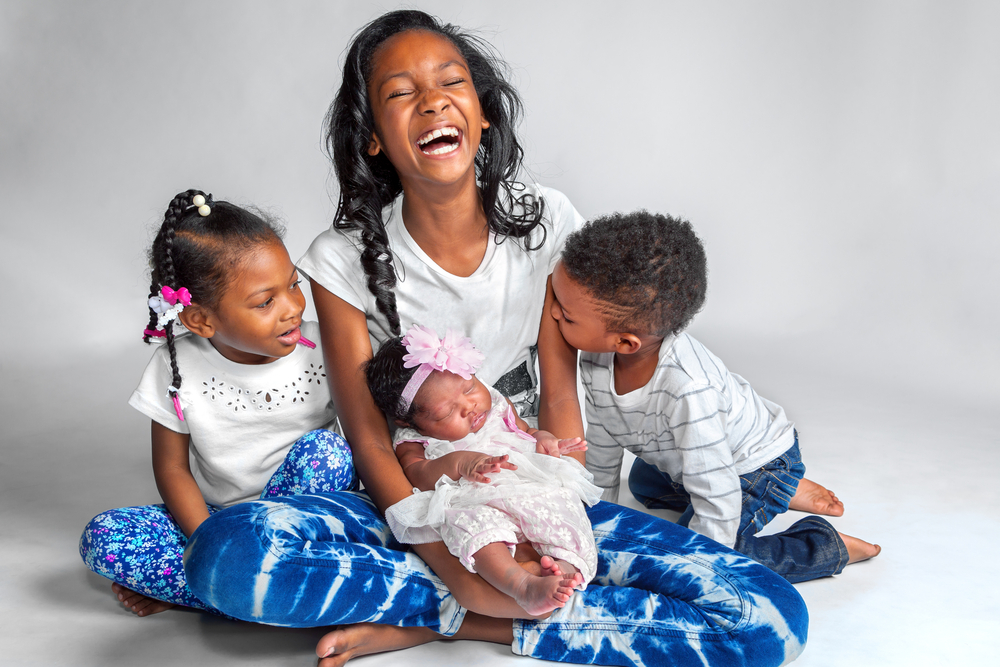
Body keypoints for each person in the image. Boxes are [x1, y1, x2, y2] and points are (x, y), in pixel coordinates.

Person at [182, 11, 809, 667]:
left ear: (481, 114)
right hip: (410, 501)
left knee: (770, 620)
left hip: (531, 480)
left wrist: (555, 516)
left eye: (449, 82)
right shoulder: (339, 258)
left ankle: (464, 621)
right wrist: (445, 558)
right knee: (224, 553)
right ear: (372, 138)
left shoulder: (547, 221)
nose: (430, 101)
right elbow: (368, 435)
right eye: (400, 92)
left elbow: (561, 391)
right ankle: (464, 599)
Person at [551, 210, 881, 583]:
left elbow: (714, 497)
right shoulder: (598, 354)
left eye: (566, 314)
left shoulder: (689, 390)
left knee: (698, 557)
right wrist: (595, 518)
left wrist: (702, 557)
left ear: (626, 342)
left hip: (756, 464)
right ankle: (778, 495)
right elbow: (604, 438)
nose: (552, 313)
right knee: (644, 482)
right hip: (693, 454)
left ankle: (821, 542)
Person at [78, 189, 355, 616]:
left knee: (328, 454)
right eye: (266, 302)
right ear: (200, 319)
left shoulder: (324, 345)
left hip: (303, 518)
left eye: (294, 285)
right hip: (218, 518)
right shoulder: (177, 366)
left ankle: (224, 590)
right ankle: (250, 587)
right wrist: (211, 542)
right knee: (104, 538)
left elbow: (364, 435)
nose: (293, 308)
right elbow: (171, 467)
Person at [367, 326, 600, 616]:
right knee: (474, 527)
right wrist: (460, 463)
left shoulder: (495, 403)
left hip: (529, 487)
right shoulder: (414, 440)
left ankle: (562, 570)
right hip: (476, 498)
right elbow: (417, 475)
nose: (470, 406)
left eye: (469, 388)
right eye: (446, 413)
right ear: (408, 422)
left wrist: (546, 441)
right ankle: (521, 585)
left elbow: (526, 431)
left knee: (565, 511)